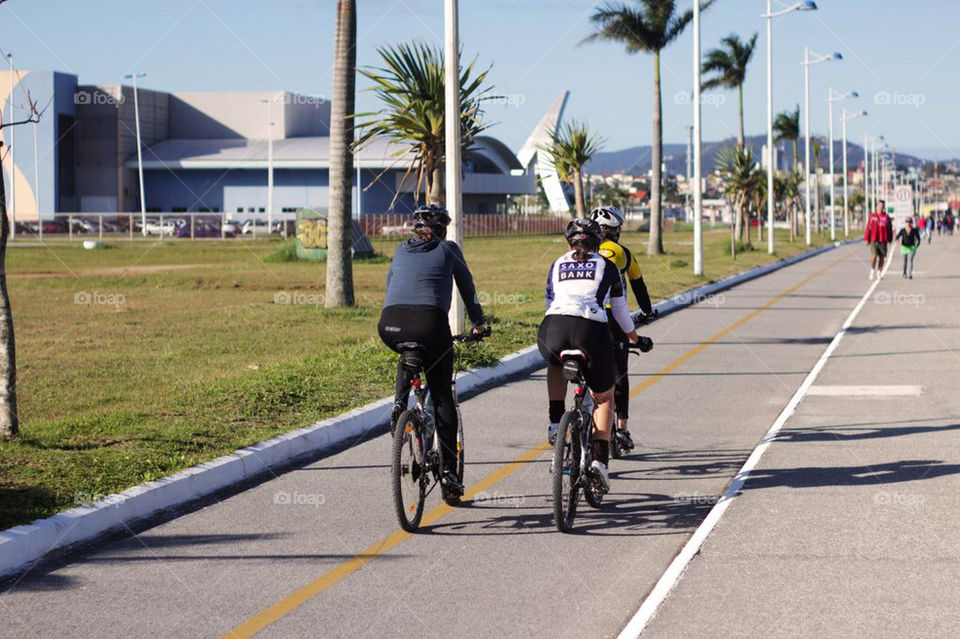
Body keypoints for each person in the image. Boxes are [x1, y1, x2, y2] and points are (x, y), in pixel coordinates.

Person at [378, 204, 486, 500]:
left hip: (390, 324)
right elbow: (467, 288)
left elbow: (391, 286)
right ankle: (450, 472)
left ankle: (399, 404)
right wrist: (478, 322)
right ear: (442, 230)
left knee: (407, 349)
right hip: (430, 325)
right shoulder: (448, 249)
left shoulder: (400, 249)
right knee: (440, 397)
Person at [537, 218, 640, 491]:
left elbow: (550, 301)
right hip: (590, 330)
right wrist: (635, 338)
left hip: (553, 328)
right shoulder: (608, 266)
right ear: (599, 242)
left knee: (555, 363)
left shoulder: (557, 263)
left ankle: (555, 421)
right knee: (604, 397)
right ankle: (599, 463)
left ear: (569, 242)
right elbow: (619, 312)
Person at [590, 205, 653, 452]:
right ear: (615, 230)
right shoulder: (621, 252)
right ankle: (622, 428)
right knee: (619, 374)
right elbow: (638, 284)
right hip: (612, 319)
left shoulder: (582, 251)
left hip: (582, 318)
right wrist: (647, 312)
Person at [863, 200, 891, 280]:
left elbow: (889, 229)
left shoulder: (886, 217)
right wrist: (866, 238)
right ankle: (872, 271)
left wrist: (889, 239)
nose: (881, 207)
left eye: (882, 206)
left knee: (882, 257)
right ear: (877, 206)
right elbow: (868, 227)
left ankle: (879, 272)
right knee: (874, 255)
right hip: (874, 238)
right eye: (879, 205)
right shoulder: (872, 216)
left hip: (883, 239)